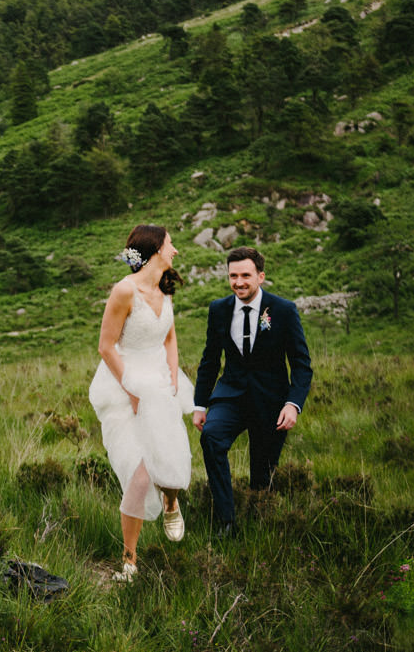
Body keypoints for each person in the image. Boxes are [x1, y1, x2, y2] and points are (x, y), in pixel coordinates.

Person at [89, 224, 195, 582]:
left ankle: (170, 502)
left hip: (160, 381)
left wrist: (171, 377)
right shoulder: (124, 291)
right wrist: (133, 391)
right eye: (170, 245)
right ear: (154, 250)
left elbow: (170, 339)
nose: (175, 251)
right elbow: (106, 347)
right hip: (124, 385)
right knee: (137, 475)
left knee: (168, 454)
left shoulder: (165, 290)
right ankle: (129, 562)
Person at [192, 245, 313, 537]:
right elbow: (210, 359)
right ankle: (227, 522)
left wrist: (292, 404)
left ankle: (259, 523)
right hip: (230, 396)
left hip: (271, 402)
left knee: (262, 473)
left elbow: (301, 363)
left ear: (260, 276)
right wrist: (199, 404)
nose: (239, 282)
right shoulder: (218, 309)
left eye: (245, 275)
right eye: (233, 276)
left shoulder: (283, 310)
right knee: (212, 438)